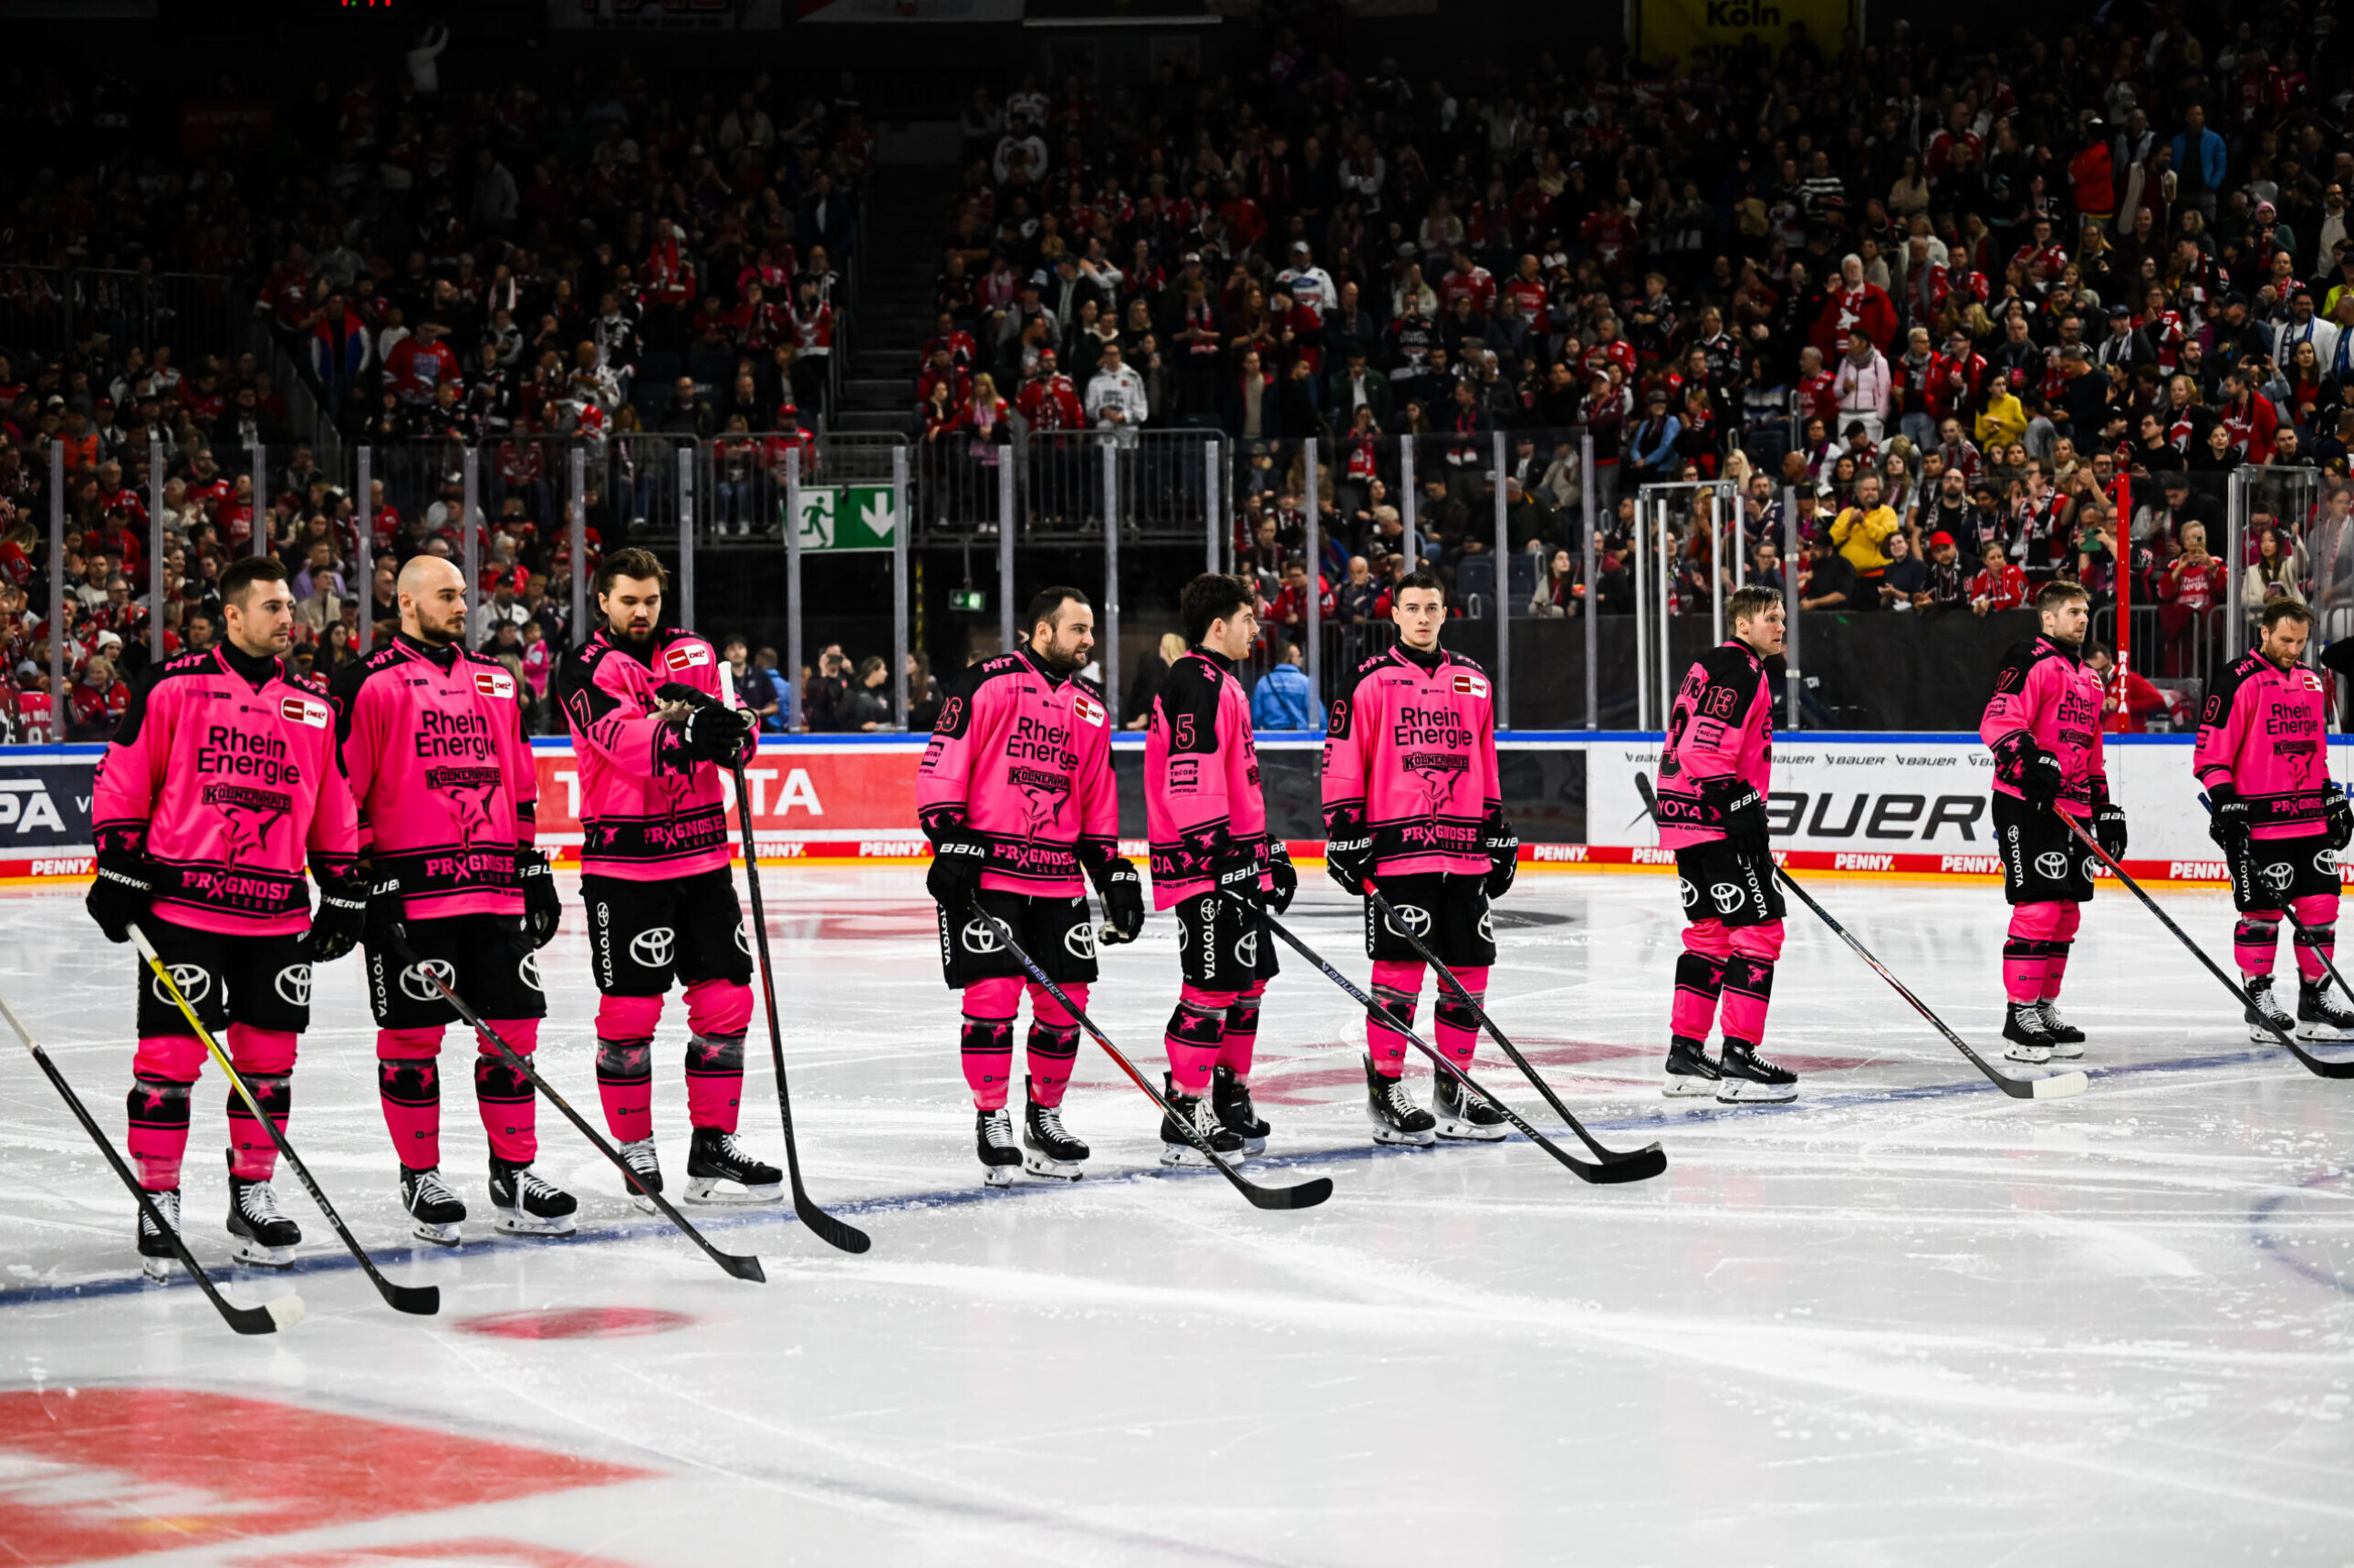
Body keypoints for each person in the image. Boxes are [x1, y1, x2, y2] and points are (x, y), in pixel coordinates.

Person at [87, 556, 363, 1278]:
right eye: (272, 606)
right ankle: (159, 1196)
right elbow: (123, 779)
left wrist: (341, 886)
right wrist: (117, 862)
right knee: (170, 1061)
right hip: (184, 908)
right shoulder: (172, 685)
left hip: (276, 913)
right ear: (233, 615)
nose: (288, 618)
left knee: (269, 1064)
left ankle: (253, 1194)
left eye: (289, 606)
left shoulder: (313, 702)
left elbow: (332, 802)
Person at [332, 554, 572, 1242]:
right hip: (413, 892)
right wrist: (364, 878)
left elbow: (518, 777)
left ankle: (514, 1170)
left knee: (513, 1031)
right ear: (406, 602)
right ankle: (421, 1174)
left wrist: (530, 865)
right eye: (447, 595)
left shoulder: (497, 680)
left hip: (494, 890)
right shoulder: (367, 682)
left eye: (464, 594)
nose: (463, 606)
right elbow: (345, 787)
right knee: (413, 1038)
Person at [555, 548, 783, 1210]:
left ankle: (713, 1143)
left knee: (727, 1001)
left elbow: (734, 732)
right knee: (631, 1009)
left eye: (651, 599)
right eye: (628, 600)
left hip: (704, 856)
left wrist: (737, 735)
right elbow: (622, 742)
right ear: (603, 601)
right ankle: (635, 1147)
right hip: (625, 864)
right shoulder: (584, 666)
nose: (641, 611)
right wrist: (692, 733)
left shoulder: (696, 652)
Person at [915, 587, 1142, 1184]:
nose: (1089, 640)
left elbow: (1097, 796)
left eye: (1090, 629)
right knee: (992, 998)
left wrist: (1111, 870)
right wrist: (948, 839)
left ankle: (1045, 1116)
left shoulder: (1091, 708)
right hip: (991, 873)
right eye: (1078, 629)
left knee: (1068, 1003)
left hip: (1058, 875)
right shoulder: (987, 683)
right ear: (1044, 631)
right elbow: (943, 763)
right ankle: (992, 1115)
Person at [1320, 568, 1515, 1144]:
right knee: (1399, 975)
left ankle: (1454, 1087)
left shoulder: (1473, 679)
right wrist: (1343, 828)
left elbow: (1485, 759)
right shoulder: (1368, 680)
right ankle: (1386, 1089)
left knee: (1469, 974)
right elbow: (1343, 759)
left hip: (1465, 852)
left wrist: (1496, 828)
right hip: (1397, 854)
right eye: (1413, 608)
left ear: (1445, 612)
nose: (1423, 617)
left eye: (1432, 607)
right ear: (1395, 615)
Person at [1146, 575, 1299, 1164]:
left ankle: (1229, 1092)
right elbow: (1189, 776)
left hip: (1236, 863)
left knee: (1248, 984)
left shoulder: (1224, 681)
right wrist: (1220, 851)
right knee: (1209, 989)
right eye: (1247, 618)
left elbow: (1235, 781)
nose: (1256, 628)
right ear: (1218, 626)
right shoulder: (1195, 681)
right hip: (1206, 868)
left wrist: (1265, 851)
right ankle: (1184, 1108)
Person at [1650, 587, 1797, 1102]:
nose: (1780, 626)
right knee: (1760, 932)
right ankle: (1739, 1060)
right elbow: (1702, 748)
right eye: (1770, 618)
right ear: (1742, 626)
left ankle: (1686, 1056)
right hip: (1715, 819)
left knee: (1710, 935)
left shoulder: (1712, 663)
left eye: (1782, 617)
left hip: (1684, 816)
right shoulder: (1742, 670)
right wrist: (1737, 802)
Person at [2196, 599, 2354, 1042]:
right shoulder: (2236, 680)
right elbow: (2210, 754)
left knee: (2322, 907)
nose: (2293, 649)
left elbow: (2314, 749)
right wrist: (2226, 803)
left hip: (2309, 820)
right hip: (2260, 823)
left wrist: (2331, 796)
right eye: (2286, 640)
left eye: (2301, 641)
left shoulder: (2310, 681)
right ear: (2264, 633)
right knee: (2262, 914)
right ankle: (2259, 999)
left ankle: (2315, 1000)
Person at [1980, 580, 2121, 1062]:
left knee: (2066, 913)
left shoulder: (2091, 678)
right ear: (2048, 618)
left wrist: (2105, 809)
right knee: (2038, 908)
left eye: (2086, 611)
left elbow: (2092, 751)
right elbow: (1999, 720)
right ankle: (2018, 1015)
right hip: (2027, 802)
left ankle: (2042, 1006)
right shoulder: (2029, 657)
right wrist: (2030, 760)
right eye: (2073, 611)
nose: (2083, 619)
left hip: (2074, 808)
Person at [1249, 641, 1317, 730]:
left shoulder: (1264, 682)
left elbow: (1255, 716)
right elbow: (1317, 715)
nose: (1300, 659)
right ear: (1287, 658)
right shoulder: (1305, 682)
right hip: (1300, 735)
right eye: (1298, 656)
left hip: (1270, 736)